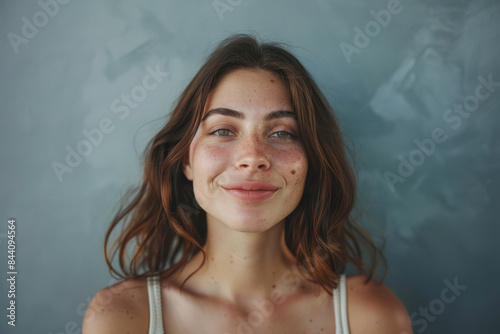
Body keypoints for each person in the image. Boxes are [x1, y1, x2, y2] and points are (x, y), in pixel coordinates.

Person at [83, 33, 412, 334]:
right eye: (223, 130)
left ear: (311, 161)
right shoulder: (122, 316)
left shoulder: (370, 316)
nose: (252, 157)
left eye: (282, 133)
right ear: (186, 160)